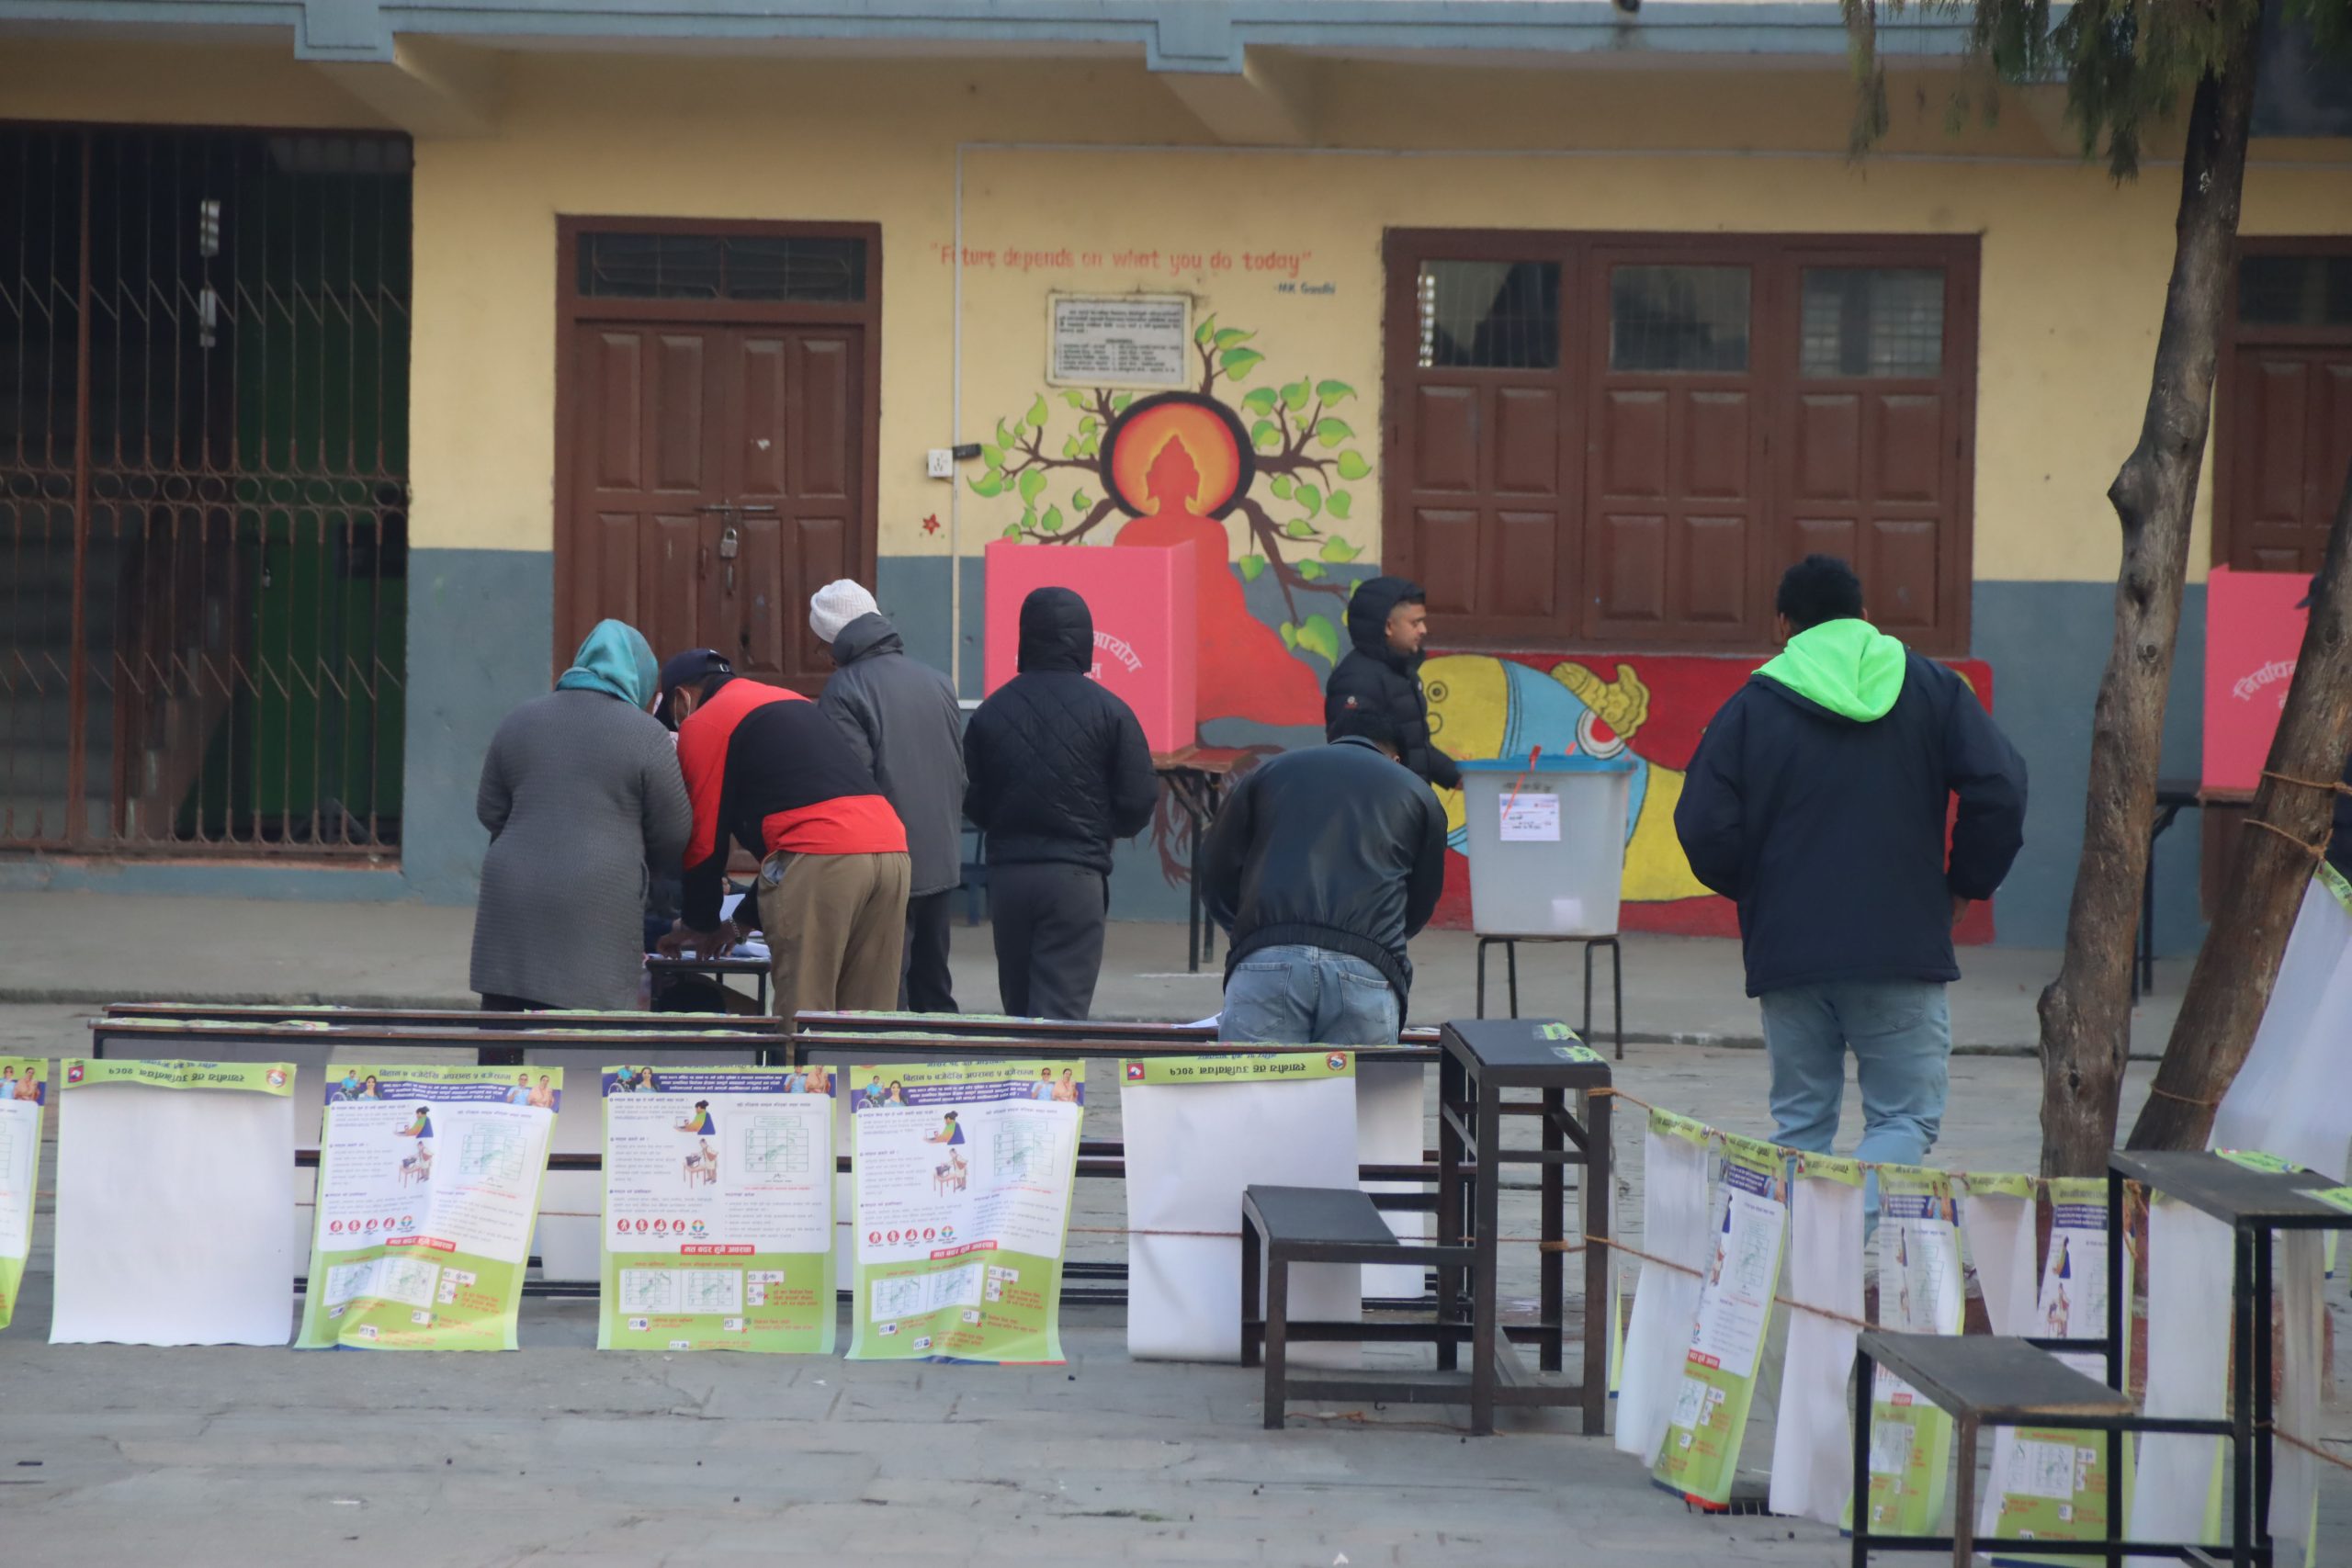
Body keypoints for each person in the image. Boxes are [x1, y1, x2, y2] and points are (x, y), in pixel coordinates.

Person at [1674, 554, 2027, 1183]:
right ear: (1865, 616)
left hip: (1790, 951)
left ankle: (1802, 1242)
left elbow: (1702, 823)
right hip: (1902, 946)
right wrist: (1966, 883)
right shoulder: (1934, 689)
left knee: (1800, 1129)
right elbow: (2000, 787)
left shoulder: (1751, 706)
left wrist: (1761, 889)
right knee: (1903, 1120)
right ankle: (1831, 1239)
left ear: (1782, 624)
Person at [657, 648, 911, 1031]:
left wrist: (699, 921)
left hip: (823, 858)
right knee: (867, 1018)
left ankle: (800, 1071)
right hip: (890, 850)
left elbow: (704, 843)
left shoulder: (704, 722)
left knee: (804, 1016)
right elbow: (795, 832)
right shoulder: (788, 701)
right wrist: (738, 924)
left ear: (682, 698)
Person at [470, 619, 690, 1012]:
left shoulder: (518, 719)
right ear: (640, 677)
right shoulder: (647, 734)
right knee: (588, 1028)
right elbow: (674, 832)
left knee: (506, 1024)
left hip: (511, 891)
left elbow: (490, 810)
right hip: (601, 892)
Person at [963, 587, 1157, 1020]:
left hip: (1009, 878)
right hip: (1077, 877)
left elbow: (972, 798)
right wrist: (1102, 827)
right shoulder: (1112, 711)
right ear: (1084, 640)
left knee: (1019, 1009)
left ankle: (1022, 1066)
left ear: (1025, 638)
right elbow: (1138, 799)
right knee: (1061, 1017)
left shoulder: (991, 711)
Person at [1200, 709, 1448, 1044]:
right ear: (1396, 759)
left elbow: (1215, 868)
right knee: (1361, 1081)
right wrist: (1379, 937)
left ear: (1333, 741)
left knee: (1257, 1079)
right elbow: (1422, 898)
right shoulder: (1417, 792)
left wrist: (1257, 933)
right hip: (1367, 968)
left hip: (1267, 961)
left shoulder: (1269, 772)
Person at [811, 580, 968, 1014]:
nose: (820, 655)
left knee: (883, 992)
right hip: (940, 858)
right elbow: (958, 774)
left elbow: (851, 787)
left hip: (885, 863)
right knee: (933, 986)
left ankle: (888, 1056)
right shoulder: (938, 682)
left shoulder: (844, 689)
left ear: (833, 639)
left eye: (819, 643)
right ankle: (942, 1057)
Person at [1323, 576, 1460, 792]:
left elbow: (1414, 746)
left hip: (1407, 800)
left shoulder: (1401, 672)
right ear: (1388, 626)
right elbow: (1354, 757)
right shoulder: (1357, 680)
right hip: (1383, 804)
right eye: (1415, 623)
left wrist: (1457, 776)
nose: (1423, 630)